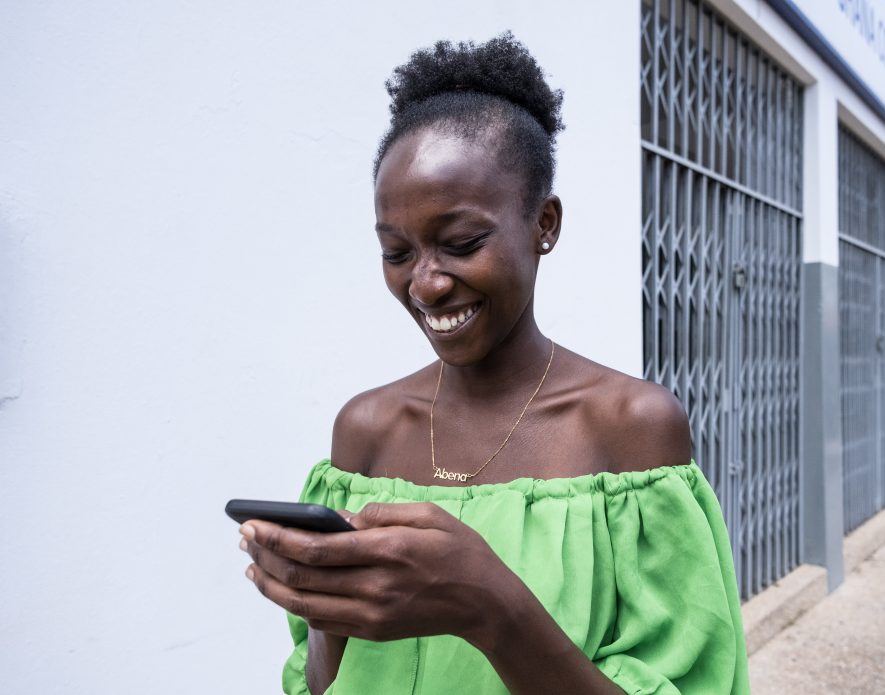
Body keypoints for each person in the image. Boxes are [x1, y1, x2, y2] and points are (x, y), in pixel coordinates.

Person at [237, 33, 749, 695]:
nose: (425, 283)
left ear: (545, 224)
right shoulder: (364, 430)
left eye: (461, 242)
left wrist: (488, 605)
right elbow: (325, 683)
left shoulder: (630, 430)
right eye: (396, 252)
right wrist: (325, 603)